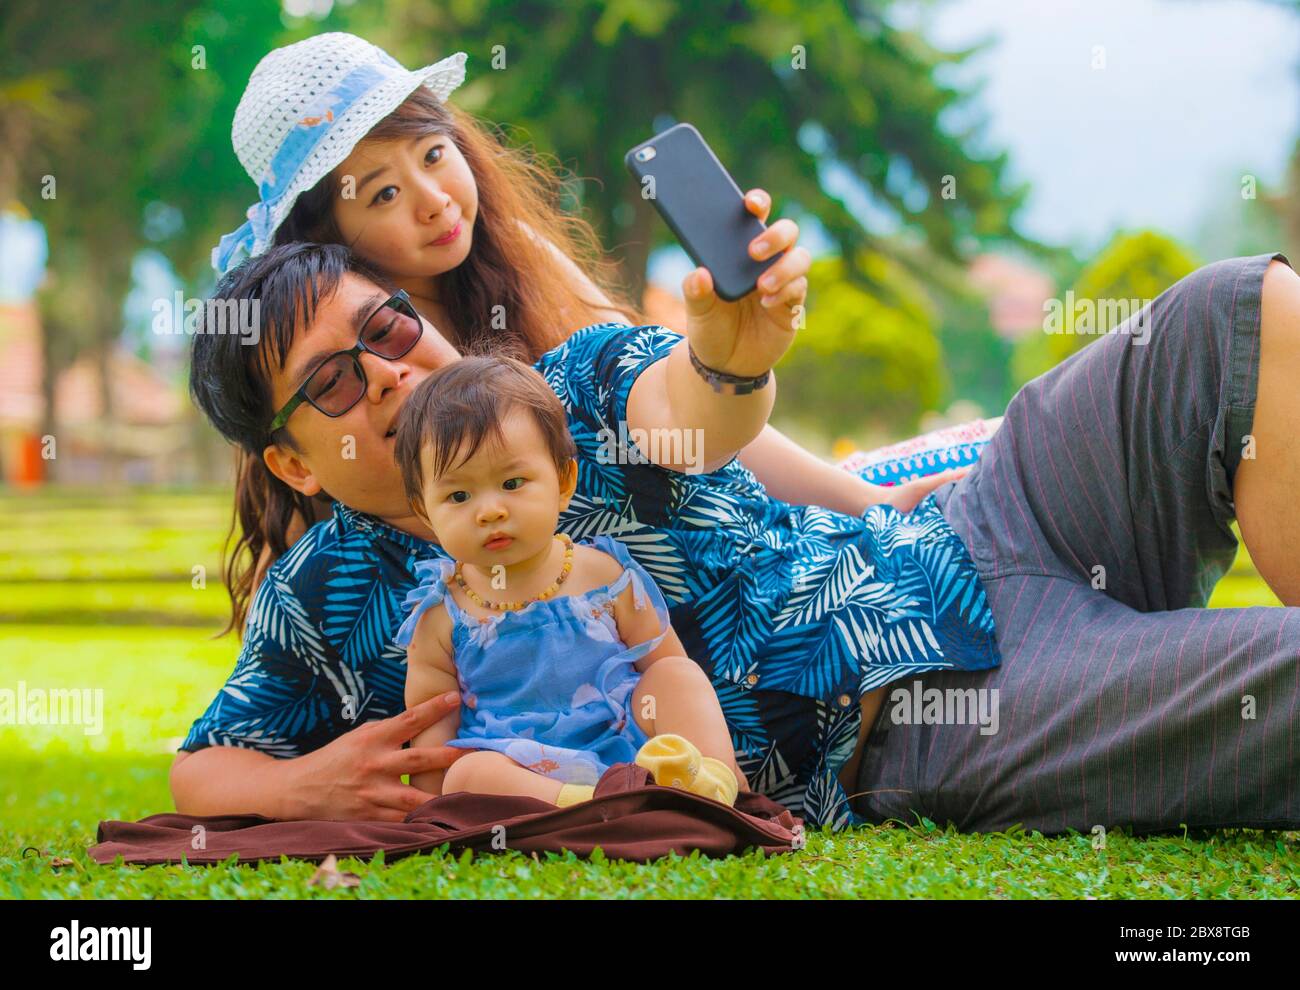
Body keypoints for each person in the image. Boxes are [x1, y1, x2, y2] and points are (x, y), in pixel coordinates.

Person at [173, 241, 1000, 828]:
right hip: (931, 719)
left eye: (385, 329)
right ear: (293, 465)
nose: (386, 372)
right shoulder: (324, 592)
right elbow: (201, 767)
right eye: (332, 381)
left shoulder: (576, 384)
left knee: (1133, 379)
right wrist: (302, 788)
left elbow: (690, 414)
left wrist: (728, 363)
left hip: (962, 542)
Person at [213, 32, 973, 629]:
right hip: (617, 625)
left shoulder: (522, 262)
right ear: (325, 237)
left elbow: (685, 409)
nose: (434, 201)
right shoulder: (334, 391)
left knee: (971, 465)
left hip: (728, 519)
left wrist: (867, 503)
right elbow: (313, 603)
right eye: (382, 193)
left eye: (435, 155)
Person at [393, 355, 747, 807]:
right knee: (466, 773)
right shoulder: (443, 614)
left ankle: (713, 782)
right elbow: (431, 729)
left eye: (513, 482)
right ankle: (581, 805)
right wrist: (431, 807)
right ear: (426, 512)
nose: (490, 510)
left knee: (678, 676)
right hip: (521, 771)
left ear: (563, 482)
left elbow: (663, 661)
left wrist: (693, 733)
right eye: (459, 495)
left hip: (628, 747)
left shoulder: (601, 573)